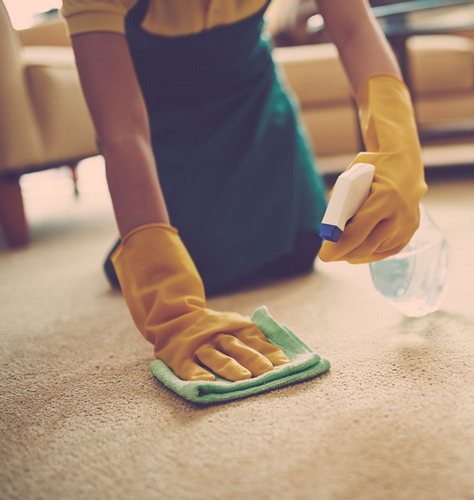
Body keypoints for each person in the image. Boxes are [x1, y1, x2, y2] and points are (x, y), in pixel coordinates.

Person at [63, 0, 427, 382]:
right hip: (161, 125)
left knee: (301, 246)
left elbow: (353, 28)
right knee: (199, 261)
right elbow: (123, 134)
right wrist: (170, 309)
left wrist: (395, 143)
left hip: (253, 101)